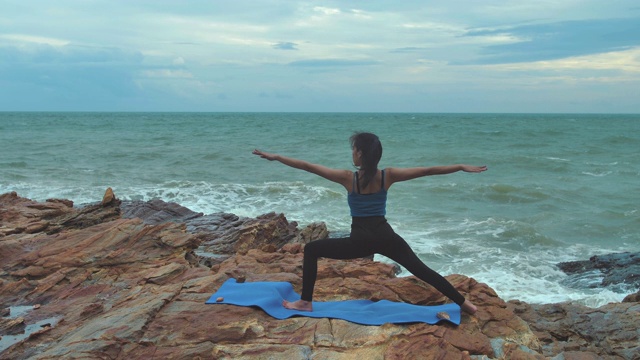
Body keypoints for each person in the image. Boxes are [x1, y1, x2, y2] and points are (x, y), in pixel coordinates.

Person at [252, 132, 487, 315]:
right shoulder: (388, 175)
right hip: (386, 236)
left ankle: (305, 302)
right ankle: (464, 304)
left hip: (360, 241)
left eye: (354, 149)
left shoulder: (348, 178)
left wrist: (276, 157)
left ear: (361, 154)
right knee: (422, 269)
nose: (352, 153)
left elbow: (307, 166)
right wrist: (459, 167)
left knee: (312, 249)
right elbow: (427, 170)